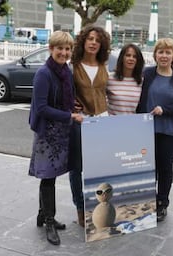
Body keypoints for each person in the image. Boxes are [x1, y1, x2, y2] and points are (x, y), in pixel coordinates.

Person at [28, 31, 83, 245]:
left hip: (61, 130)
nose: (64, 52)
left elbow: (64, 98)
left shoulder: (65, 71)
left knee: (51, 175)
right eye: (60, 48)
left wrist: (73, 106)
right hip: (47, 132)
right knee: (48, 176)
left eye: (67, 49)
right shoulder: (44, 73)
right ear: (51, 49)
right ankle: (50, 221)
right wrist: (69, 115)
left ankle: (43, 214)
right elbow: (41, 108)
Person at [136, 38, 173, 222]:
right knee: (148, 167)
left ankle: (162, 203)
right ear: (155, 55)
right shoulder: (148, 74)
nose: (164, 55)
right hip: (145, 129)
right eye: (161, 52)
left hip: (168, 130)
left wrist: (165, 110)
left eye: (168, 52)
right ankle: (147, 201)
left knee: (165, 167)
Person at [68, 25, 111, 227]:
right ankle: (80, 207)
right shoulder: (74, 65)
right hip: (80, 121)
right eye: (90, 39)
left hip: (102, 121)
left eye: (97, 40)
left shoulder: (103, 65)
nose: (93, 42)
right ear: (83, 41)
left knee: (99, 168)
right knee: (77, 168)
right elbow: (63, 92)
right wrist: (72, 109)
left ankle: (98, 207)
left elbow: (110, 92)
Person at [107, 43, 145, 115]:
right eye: (128, 55)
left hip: (134, 124)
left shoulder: (142, 82)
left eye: (135, 57)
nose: (131, 59)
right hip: (112, 124)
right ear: (122, 58)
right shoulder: (110, 79)